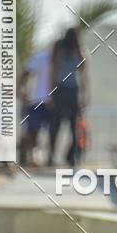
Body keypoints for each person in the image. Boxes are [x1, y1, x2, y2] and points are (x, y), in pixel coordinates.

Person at [48, 28, 88, 167]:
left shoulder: (59, 52)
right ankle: (73, 158)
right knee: (72, 126)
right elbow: (83, 77)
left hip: (61, 90)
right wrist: (84, 96)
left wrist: (52, 94)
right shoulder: (79, 53)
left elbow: (53, 73)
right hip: (73, 91)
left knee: (56, 125)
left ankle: (52, 156)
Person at [19, 48, 52, 166]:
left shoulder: (62, 57)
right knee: (33, 130)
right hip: (36, 100)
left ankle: (49, 157)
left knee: (52, 131)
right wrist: (21, 90)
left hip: (53, 101)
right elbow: (24, 74)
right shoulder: (41, 58)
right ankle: (34, 155)